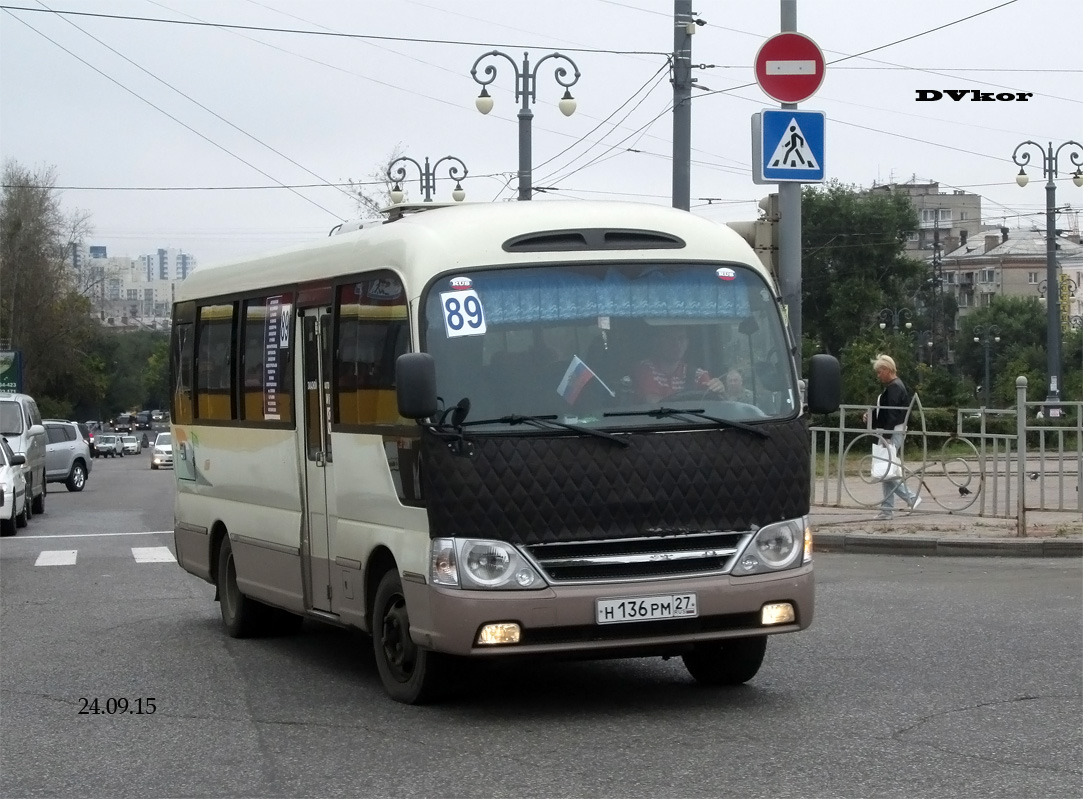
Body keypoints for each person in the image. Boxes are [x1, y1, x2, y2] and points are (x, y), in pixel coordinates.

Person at [863, 354, 921, 520]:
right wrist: (872, 414)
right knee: (886, 470)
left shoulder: (894, 387)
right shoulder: (895, 386)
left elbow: (892, 413)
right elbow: (886, 410)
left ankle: (909, 499)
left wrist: (886, 435)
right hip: (894, 430)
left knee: (887, 470)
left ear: (887, 370)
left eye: (880, 371)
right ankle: (888, 509)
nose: (878, 375)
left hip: (893, 431)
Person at [632, 326, 723, 403]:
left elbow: (712, 402)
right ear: (658, 342)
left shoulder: (698, 375)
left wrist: (718, 389)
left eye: (681, 338)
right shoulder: (645, 369)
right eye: (669, 338)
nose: (676, 344)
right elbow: (653, 402)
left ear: (687, 343)